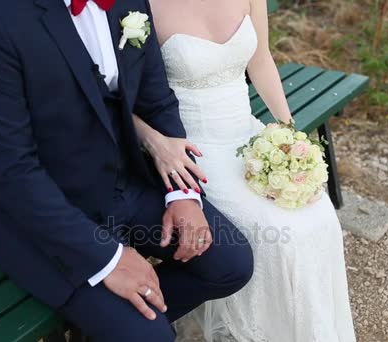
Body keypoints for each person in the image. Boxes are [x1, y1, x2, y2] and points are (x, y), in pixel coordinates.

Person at [0, 0, 254, 341]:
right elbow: (10, 169)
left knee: (231, 264)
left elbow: (156, 101)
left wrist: (183, 193)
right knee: (150, 337)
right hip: (47, 215)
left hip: (127, 184)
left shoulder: (129, 2)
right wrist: (109, 259)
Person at [131, 0, 357, 340]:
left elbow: (261, 59)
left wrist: (289, 136)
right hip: (193, 149)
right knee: (276, 233)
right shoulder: (141, 6)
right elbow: (121, 96)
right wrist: (155, 143)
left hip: (248, 137)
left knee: (320, 217)